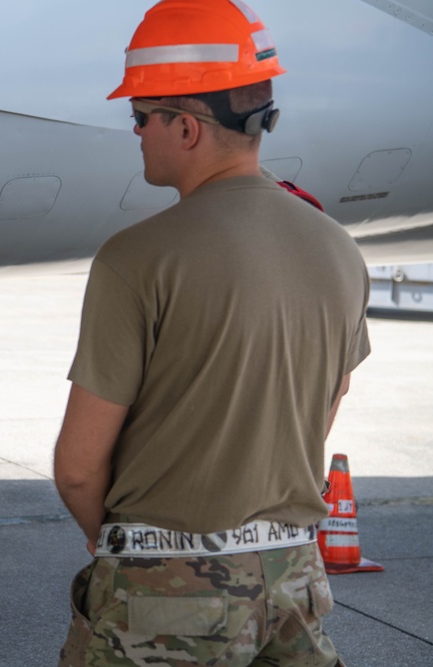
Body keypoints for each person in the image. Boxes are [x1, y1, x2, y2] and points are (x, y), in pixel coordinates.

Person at [53, 2, 369, 665]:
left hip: (166, 590)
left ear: (188, 129)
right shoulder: (339, 248)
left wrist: (118, 545)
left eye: (140, 117)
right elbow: (326, 403)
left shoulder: (136, 258)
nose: (135, 131)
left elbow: (79, 468)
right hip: (295, 583)